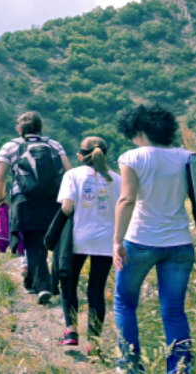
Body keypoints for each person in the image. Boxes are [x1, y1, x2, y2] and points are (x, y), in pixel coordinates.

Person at [113, 104, 196, 373]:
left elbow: (127, 198)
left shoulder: (132, 157)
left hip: (140, 240)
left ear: (140, 130)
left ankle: (130, 365)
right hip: (179, 244)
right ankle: (180, 369)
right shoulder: (190, 158)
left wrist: (117, 240)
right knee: (174, 310)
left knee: (124, 302)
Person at [0, 111, 72, 304]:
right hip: (54, 200)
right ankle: (56, 284)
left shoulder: (11, 146)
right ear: (40, 127)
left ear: (19, 128)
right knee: (56, 243)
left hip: (25, 200)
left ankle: (43, 287)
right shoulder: (54, 145)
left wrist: (1, 199)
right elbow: (69, 172)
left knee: (35, 245)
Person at [56, 136, 121, 355]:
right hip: (106, 240)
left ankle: (71, 332)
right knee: (96, 290)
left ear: (80, 156)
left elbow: (67, 207)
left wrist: (53, 231)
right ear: (106, 154)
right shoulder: (117, 180)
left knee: (69, 284)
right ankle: (93, 343)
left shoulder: (72, 175)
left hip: (77, 239)